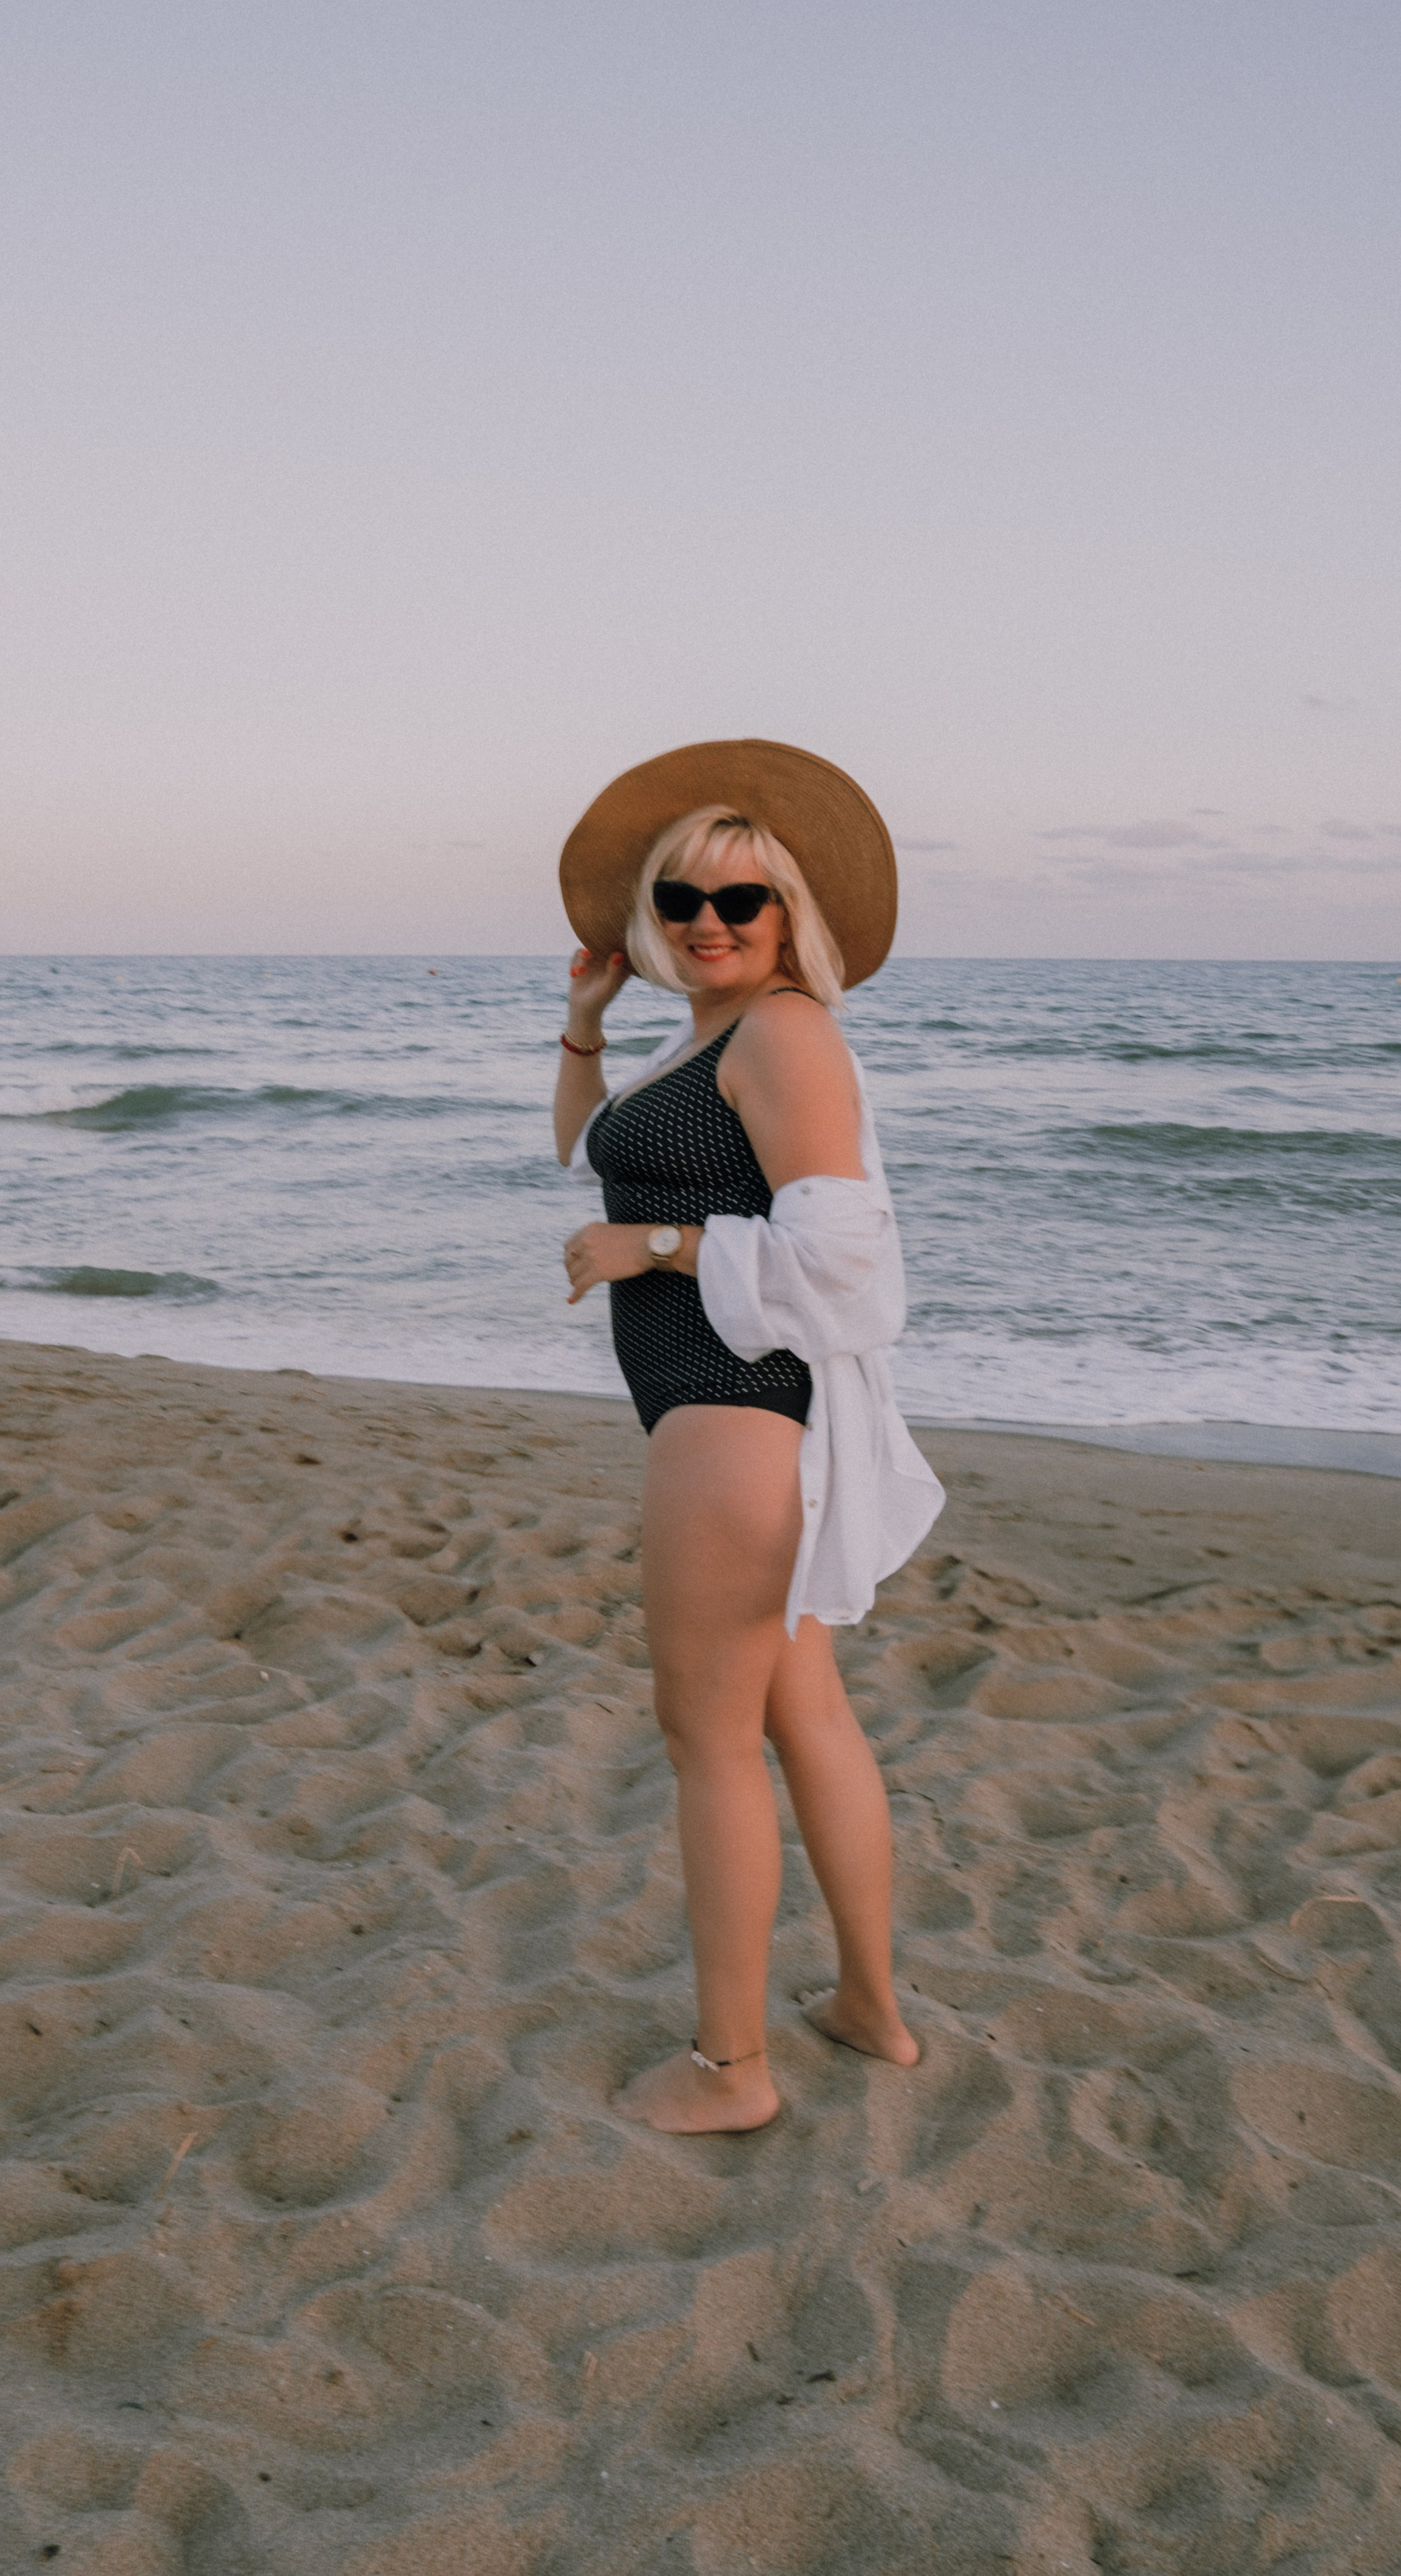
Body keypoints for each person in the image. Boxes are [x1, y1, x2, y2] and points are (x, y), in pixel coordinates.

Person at [553, 740, 944, 2135]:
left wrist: (649, 1245)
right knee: (799, 1712)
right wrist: (588, 1023)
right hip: (730, 1421)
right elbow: (584, 1155)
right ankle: (868, 2009)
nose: (707, 923)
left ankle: (730, 2071)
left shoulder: (784, 1034)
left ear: (787, 918)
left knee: (703, 1740)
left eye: (739, 901)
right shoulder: (705, 1039)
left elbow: (846, 1263)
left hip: (732, 1419)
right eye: (680, 902)